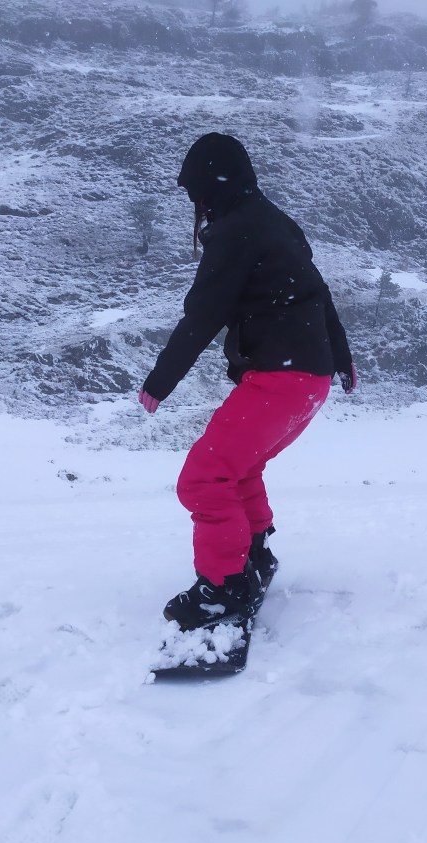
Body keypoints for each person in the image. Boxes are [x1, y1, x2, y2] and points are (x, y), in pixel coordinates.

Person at [139, 132, 355, 630]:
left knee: (202, 477)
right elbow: (319, 294)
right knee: (238, 468)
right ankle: (253, 555)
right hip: (306, 378)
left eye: (196, 193)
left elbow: (202, 315)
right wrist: (341, 358)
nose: (196, 204)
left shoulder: (237, 229)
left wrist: (160, 381)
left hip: (283, 377)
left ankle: (223, 589)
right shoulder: (273, 221)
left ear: (212, 187)